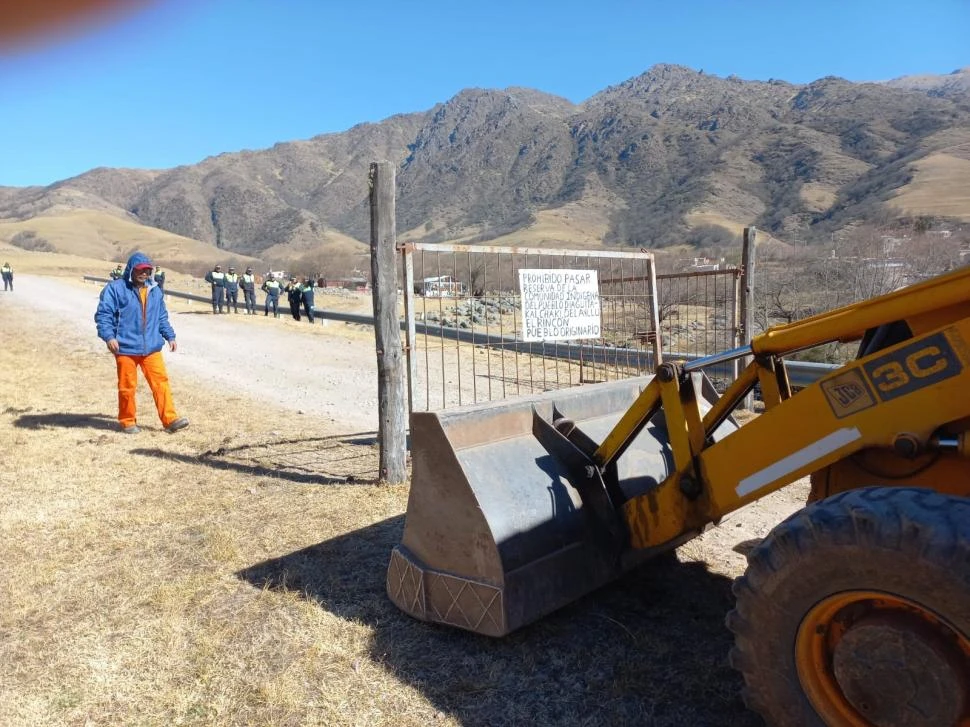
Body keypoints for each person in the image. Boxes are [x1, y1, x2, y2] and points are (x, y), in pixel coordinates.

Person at [94, 252, 189, 435]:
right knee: (127, 386)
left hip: (151, 347)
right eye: (140, 271)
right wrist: (109, 337)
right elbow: (104, 315)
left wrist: (170, 336)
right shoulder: (115, 289)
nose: (144, 274)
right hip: (125, 347)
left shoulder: (155, 291)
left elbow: (161, 317)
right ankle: (128, 421)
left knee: (161, 383)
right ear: (131, 270)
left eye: (147, 271)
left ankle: (170, 420)